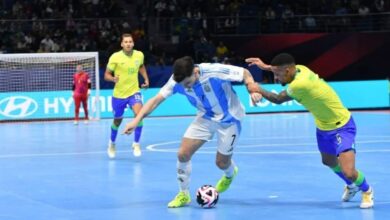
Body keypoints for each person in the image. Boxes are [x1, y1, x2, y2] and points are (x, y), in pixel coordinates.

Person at [122, 56, 262, 208]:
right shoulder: (176, 81)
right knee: (183, 154)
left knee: (221, 163)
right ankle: (183, 194)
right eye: (183, 85)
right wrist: (136, 120)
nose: (186, 87)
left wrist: (252, 90)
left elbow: (245, 73)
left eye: (188, 83)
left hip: (230, 119)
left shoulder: (214, 71)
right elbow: (156, 100)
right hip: (205, 117)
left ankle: (230, 173)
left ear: (195, 72)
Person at [245, 53, 374, 209]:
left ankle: (367, 190)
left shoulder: (300, 85)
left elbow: (278, 99)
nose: (276, 78)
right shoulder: (300, 68)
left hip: (342, 126)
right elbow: (283, 69)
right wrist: (265, 66)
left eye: (277, 74)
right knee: (328, 161)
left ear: (287, 71)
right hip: (323, 127)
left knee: (349, 171)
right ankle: (351, 186)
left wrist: (257, 88)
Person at [104, 33, 149, 158]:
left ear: (133, 43)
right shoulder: (115, 57)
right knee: (117, 120)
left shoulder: (139, 55)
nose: (128, 44)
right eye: (126, 42)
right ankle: (112, 143)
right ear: (122, 44)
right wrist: (113, 79)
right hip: (119, 94)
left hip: (134, 91)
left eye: (130, 41)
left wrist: (145, 79)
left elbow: (141, 66)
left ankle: (136, 143)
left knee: (139, 115)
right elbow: (106, 75)